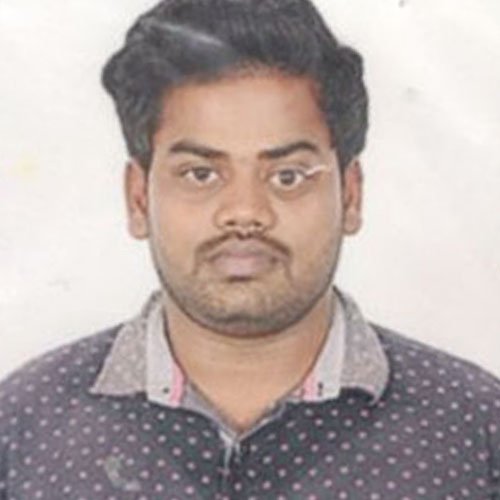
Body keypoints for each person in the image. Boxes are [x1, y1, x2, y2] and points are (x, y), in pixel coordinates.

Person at [1, 0, 499, 498]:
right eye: (201, 174)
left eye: (288, 176)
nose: (244, 212)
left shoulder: (477, 432)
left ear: (350, 195)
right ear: (138, 198)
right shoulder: (21, 428)